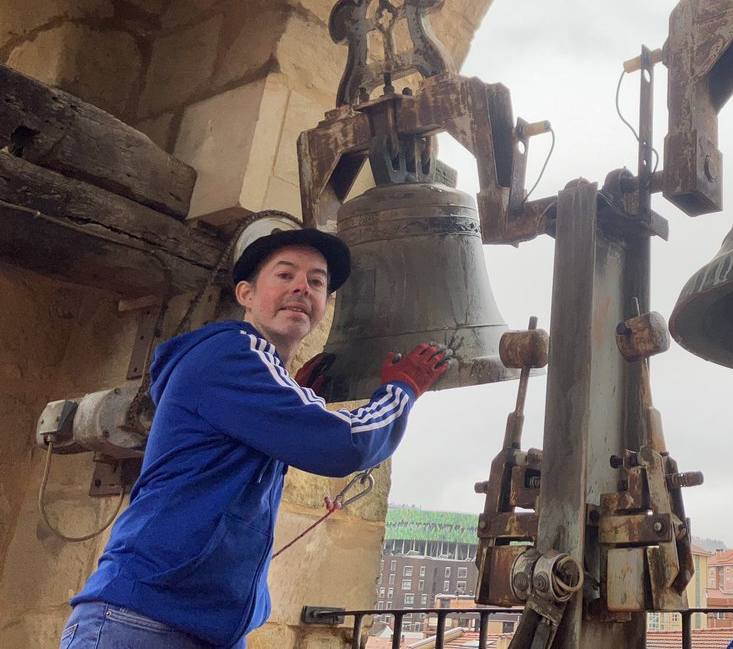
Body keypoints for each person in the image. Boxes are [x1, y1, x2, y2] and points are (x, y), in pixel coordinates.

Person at [61, 217, 448, 648]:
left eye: (316, 282)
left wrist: (293, 395)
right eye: (285, 275)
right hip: (145, 621)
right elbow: (345, 444)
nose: (302, 287)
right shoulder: (231, 352)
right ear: (246, 293)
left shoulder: (245, 370)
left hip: (202, 628)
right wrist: (402, 390)